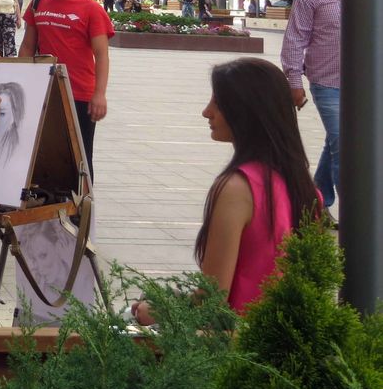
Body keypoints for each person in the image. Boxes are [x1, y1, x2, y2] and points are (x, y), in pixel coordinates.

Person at [134, 58, 322, 324]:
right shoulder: (306, 189)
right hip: (282, 342)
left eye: (218, 103)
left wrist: (154, 311)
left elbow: (210, 302)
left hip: (237, 348)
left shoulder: (237, 188)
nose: (206, 112)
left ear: (246, 112)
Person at [19, 0, 114, 179]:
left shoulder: (91, 9)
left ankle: (83, 210)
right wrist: (19, 81)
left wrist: (99, 94)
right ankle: (51, 210)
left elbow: (101, 55)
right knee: (44, 153)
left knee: (80, 157)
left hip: (79, 94)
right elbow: (28, 46)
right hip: (45, 92)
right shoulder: (38, 4)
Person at [281, 0, 341, 226]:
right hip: (326, 82)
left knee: (336, 140)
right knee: (344, 140)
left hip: (365, 86)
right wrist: (294, 82)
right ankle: (356, 214)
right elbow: (295, 38)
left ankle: (315, 200)